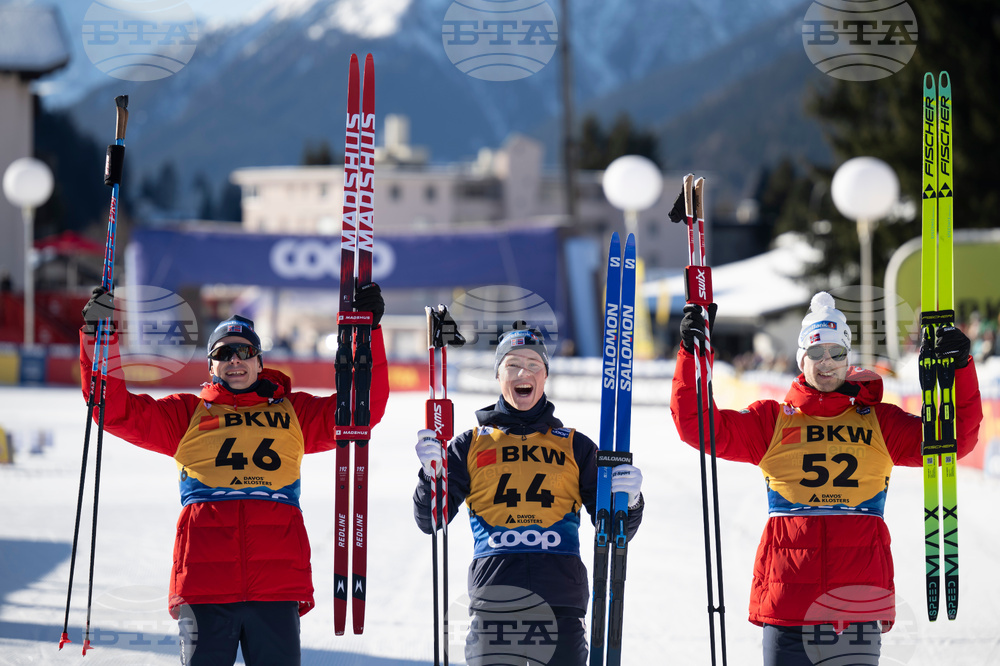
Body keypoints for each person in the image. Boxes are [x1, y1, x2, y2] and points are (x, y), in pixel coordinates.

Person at [78, 283, 389, 665]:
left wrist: (367, 333)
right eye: (223, 354)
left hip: (276, 584)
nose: (234, 360)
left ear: (260, 361)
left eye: (244, 351)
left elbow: (362, 411)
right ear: (211, 366)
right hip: (205, 586)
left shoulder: (295, 412)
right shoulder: (186, 414)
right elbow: (114, 409)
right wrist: (99, 338)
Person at [670, 292, 983, 665]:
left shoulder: (879, 421)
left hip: (857, 608)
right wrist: (693, 354)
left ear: (848, 358)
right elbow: (697, 426)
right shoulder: (772, 421)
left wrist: (961, 366)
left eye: (836, 353)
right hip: (788, 610)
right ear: (802, 359)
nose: (827, 364)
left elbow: (956, 440)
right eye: (816, 354)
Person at [412, 325, 645, 666]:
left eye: (534, 364)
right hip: (495, 602)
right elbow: (430, 520)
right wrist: (429, 477)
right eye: (513, 365)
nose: (524, 372)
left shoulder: (576, 446)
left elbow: (613, 532)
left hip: (561, 605)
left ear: (546, 375)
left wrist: (631, 500)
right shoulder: (469, 444)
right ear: (498, 375)